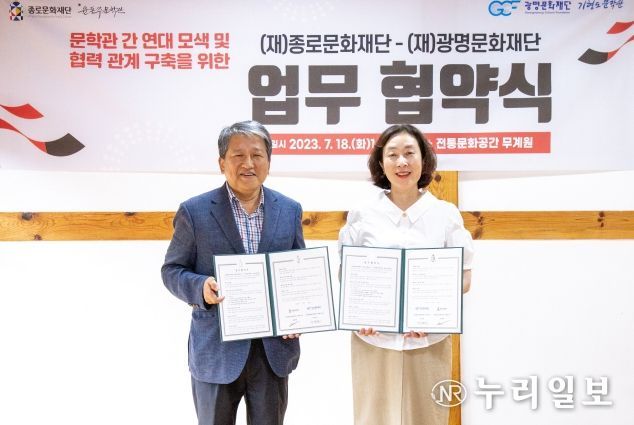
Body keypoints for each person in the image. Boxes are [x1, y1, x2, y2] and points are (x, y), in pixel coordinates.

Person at [162, 120, 305, 425]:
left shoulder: (289, 210)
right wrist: (200, 287)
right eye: (238, 155)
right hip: (216, 351)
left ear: (268, 162)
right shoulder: (194, 211)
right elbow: (172, 270)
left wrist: (298, 314)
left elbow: (299, 273)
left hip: (272, 351)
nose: (248, 163)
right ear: (222, 163)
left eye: (257, 155)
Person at [338, 124, 474, 425]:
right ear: (380, 162)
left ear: (424, 160)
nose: (402, 162)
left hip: (428, 342)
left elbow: (464, 278)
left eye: (410, 153)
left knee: (427, 418)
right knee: (373, 418)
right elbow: (347, 274)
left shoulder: (445, 213)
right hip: (373, 340)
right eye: (393, 155)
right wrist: (361, 313)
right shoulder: (362, 213)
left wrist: (433, 314)